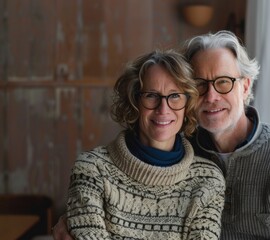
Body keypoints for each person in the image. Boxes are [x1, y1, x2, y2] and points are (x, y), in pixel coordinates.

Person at [53, 30, 270, 239]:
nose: (211, 96)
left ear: (245, 87)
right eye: (199, 84)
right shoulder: (178, 145)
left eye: (223, 82)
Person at [63, 49, 225, 239]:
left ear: (188, 104)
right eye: (151, 95)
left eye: (174, 96)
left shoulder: (208, 180)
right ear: (134, 101)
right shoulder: (91, 170)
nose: (163, 109)